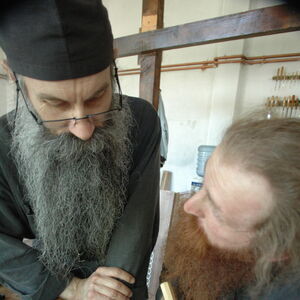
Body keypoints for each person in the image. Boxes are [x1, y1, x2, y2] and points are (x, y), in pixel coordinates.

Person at [0, 1, 161, 299]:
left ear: (113, 60)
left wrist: (101, 294)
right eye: (56, 104)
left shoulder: (141, 121)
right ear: (12, 76)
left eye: (98, 96)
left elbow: (134, 233)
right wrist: (68, 287)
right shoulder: (1, 141)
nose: (83, 129)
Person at [162, 116, 300, 299]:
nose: (189, 206)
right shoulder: (221, 254)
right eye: (204, 185)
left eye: (217, 212)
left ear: (276, 250)